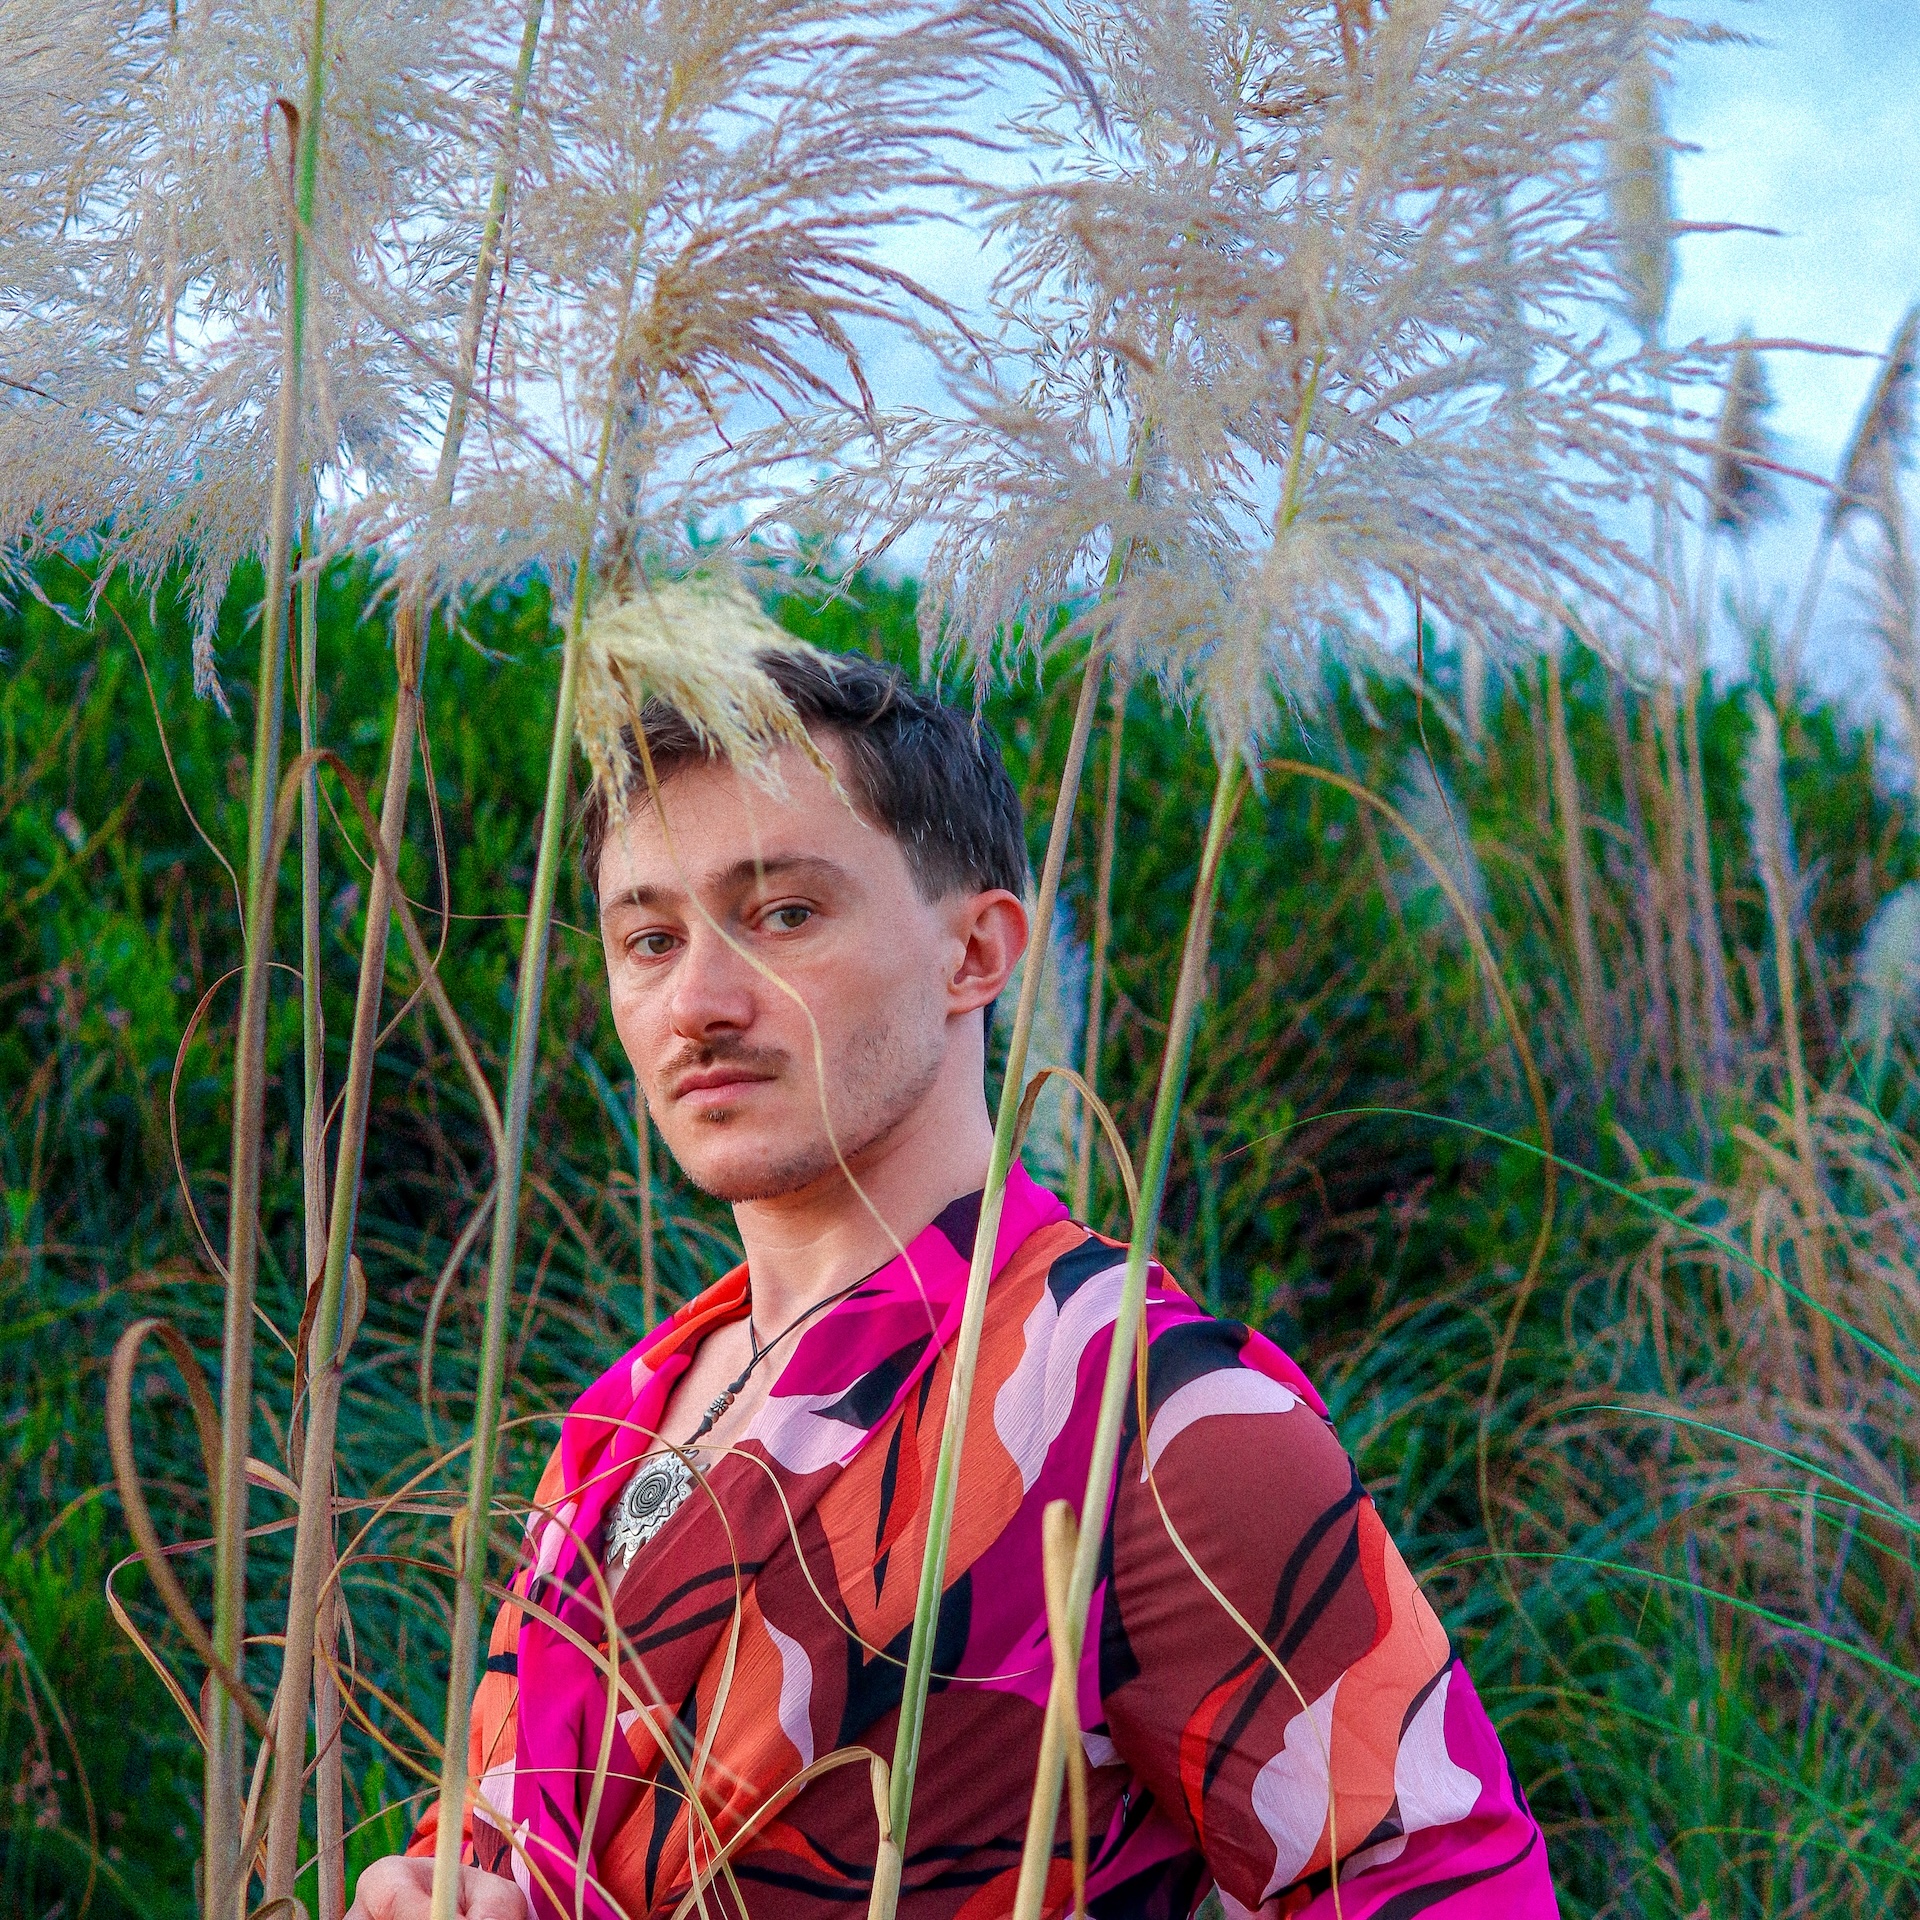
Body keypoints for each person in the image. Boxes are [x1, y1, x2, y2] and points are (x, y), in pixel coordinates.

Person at [350, 649, 1557, 1920]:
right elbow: (517, 1829)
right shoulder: (627, 1410)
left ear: (975, 952)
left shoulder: (1137, 1405)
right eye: (649, 939)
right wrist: (441, 1883)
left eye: (784, 915)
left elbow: (1441, 1883)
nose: (696, 1001)